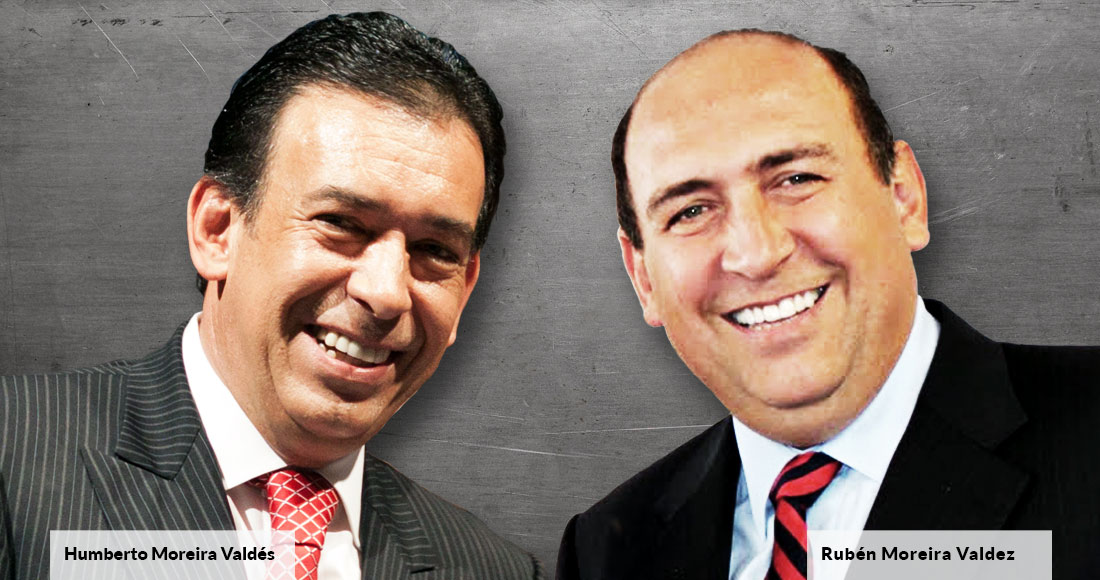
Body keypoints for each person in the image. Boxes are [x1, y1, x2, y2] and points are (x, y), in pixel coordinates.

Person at [0, 12, 540, 580]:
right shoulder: (16, 461)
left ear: (466, 288)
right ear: (218, 230)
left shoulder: (491, 570)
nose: (385, 293)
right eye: (340, 223)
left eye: (434, 250)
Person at [556, 30, 1100, 580]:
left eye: (797, 178)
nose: (756, 254)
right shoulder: (608, 553)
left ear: (904, 197)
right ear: (644, 278)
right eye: (690, 212)